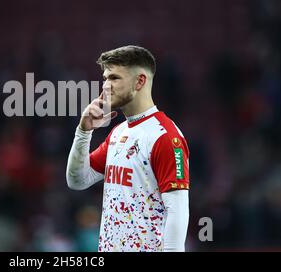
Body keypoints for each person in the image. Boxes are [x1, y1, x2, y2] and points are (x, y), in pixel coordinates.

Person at [66, 45, 190, 252]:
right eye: (105, 78)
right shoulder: (118, 133)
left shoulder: (164, 136)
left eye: (114, 78)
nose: (106, 86)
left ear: (140, 81)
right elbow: (77, 180)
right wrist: (83, 132)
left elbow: (178, 211)